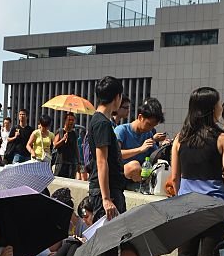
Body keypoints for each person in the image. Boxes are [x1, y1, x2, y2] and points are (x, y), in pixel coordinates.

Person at [170, 86, 224, 256]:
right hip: (214, 209)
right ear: (211, 108)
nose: (219, 107)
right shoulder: (223, 138)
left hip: (186, 207)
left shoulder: (179, 139)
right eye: (218, 103)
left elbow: (174, 178)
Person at [87, 77, 126, 221]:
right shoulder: (102, 123)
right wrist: (106, 198)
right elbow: (101, 161)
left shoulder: (99, 121)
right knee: (109, 240)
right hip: (107, 192)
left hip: (108, 190)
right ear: (117, 97)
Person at [114, 98, 167, 184]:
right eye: (149, 124)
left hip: (140, 177)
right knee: (134, 166)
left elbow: (155, 157)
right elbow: (115, 154)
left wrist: (164, 147)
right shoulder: (121, 130)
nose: (150, 128)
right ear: (140, 117)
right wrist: (140, 149)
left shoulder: (148, 134)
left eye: (153, 126)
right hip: (120, 175)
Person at [52, 112, 80, 178]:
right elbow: (55, 145)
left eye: (72, 120)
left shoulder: (74, 133)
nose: (71, 122)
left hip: (71, 163)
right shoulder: (60, 131)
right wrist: (63, 139)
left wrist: (78, 162)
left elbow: (76, 148)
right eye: (69, 120)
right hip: (61, 162)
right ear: (65, 120)